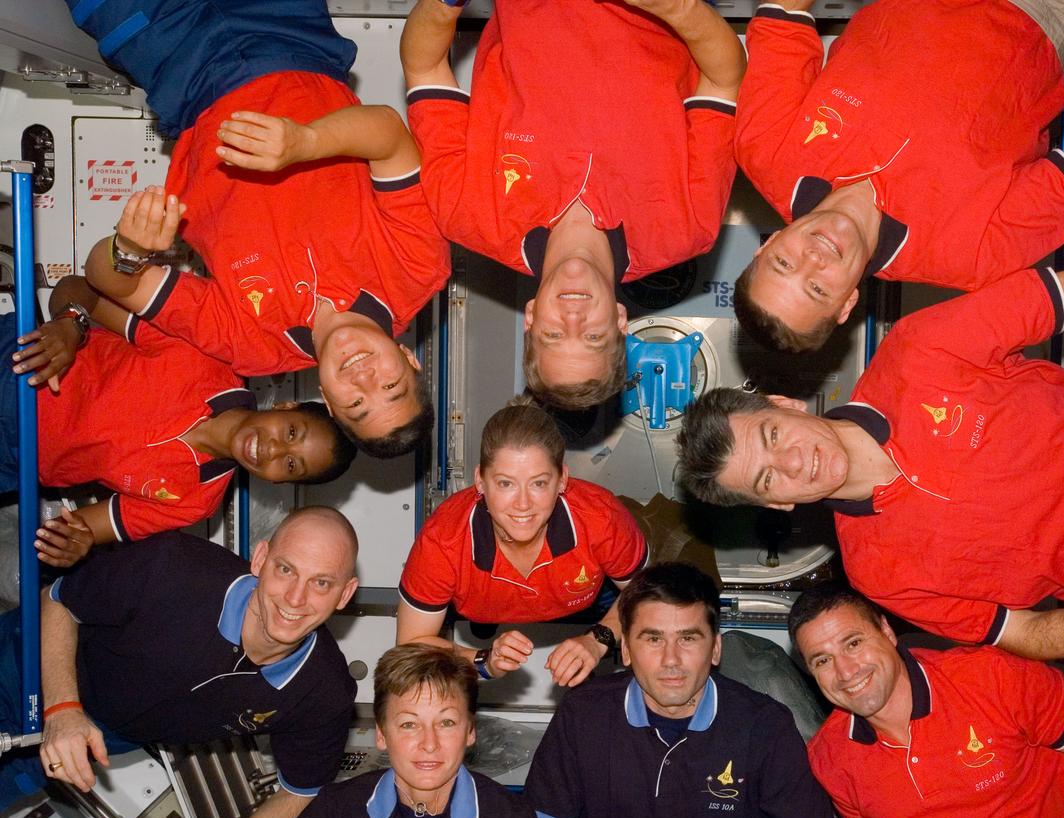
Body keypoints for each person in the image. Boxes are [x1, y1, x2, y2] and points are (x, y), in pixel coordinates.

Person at [677, 266, 1064, 658]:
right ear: (777, 501)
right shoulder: (878, 574)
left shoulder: (917, 351)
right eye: (769, 477)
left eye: (773, 434)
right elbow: (1025, 634)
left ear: (784, 404)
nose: (796, 462)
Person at [64, 0, 451, 457]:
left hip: (174, 64)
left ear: (326, 401)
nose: (364, 378)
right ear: (410, 361)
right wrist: (305, 142)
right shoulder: (419, 269)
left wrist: (127, 249)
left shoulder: (253, 345)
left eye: (356, 404)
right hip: (290, 32)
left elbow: (106, 279)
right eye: (391, 385)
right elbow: (390, 135)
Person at [732, 0, 1064, 352]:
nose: (813, 257)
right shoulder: (967, 257)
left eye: (783, 263)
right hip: (1044, 11)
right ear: (847, 304)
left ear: (767, 245)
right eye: (816, 288)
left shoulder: (765, 151)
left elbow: (783, 17)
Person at [401, 0, 745, 408]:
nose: (573, 318)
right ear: (620, 322)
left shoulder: (467, 216)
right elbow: (725, 78)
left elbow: (424, 68)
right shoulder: (687, 228)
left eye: (554, 334)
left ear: (530, 319)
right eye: (593, 337)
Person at [0, 507, 360, 818]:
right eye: (285, 569)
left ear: (345, 594)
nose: (296, 598)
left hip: (97, 736)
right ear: (261, 558)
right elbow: (59, 600)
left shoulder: (324, 693)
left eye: (322, 583)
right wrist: (62, 707)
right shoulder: (174, 565)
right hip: (26, 663)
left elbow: (302, 790)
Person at [3, 275, 354, 568]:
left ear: (280, 483)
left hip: (12, 460)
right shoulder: (207, 355)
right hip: (16, 365)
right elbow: (83, 290)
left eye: (291, 465)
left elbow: (85, 528)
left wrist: (75, 544)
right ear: (285, 406)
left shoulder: (195, 501)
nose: (274, 449)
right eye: (291, 432)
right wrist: (70, 324)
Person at [791, 582, 1064, 818]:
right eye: (822, 660)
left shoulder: (995, 678)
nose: (846, 671)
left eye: (853, 643)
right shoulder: (832, 758)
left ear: (886, 631)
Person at [525, 561, 839, 818]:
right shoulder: (584, 714)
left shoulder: (765, 727)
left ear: (715, 649)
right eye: (653, 639)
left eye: (688, 638)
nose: (670, 660)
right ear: (626, 652)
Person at [398, 400, 649, 687]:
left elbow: (646, 593)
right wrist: (484, 661)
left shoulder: (600, 518)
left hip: (591, 600)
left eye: (539, 483)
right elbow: (411, 645)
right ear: (480, 481)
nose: (523, 503)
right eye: (506, 483)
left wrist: (599, 639)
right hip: (479, 605)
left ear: (562, 480)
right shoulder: (443, 540)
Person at [280, 643, 544, 818]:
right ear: (381, 735)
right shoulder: (334, 814)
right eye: (409, 724)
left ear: (470, 731)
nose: (429, 744)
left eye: (446, 723)